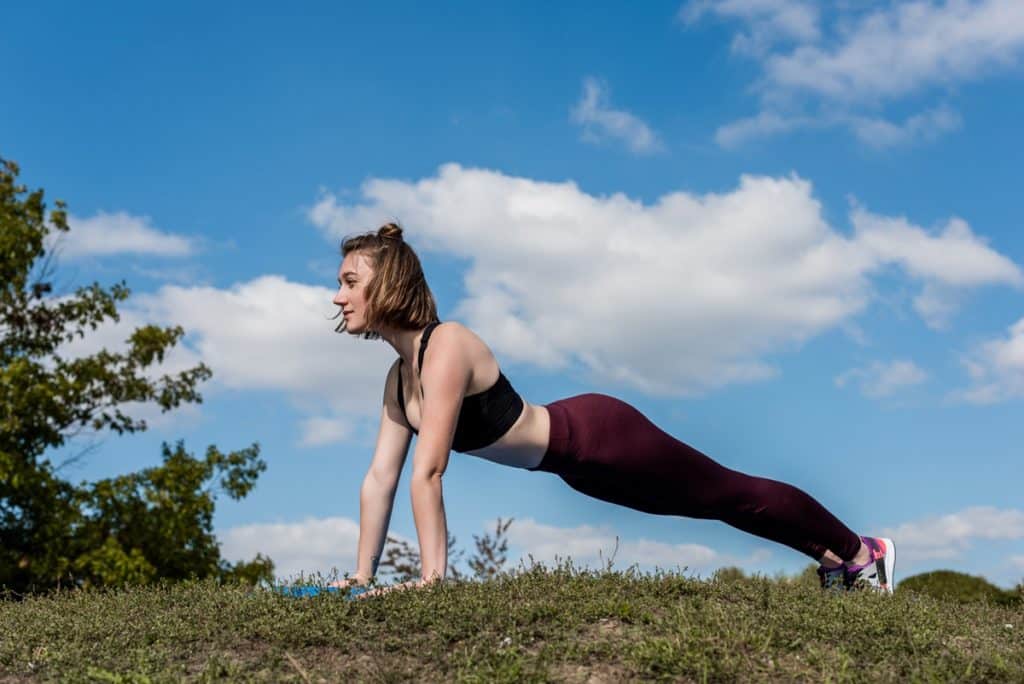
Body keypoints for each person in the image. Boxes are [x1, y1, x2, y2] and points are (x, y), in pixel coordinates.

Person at [328, 223, 895, 599]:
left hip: (600, 435)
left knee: (726, 490)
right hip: (578, 472)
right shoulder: (398, 381)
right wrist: (360, 578)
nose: (338, 296)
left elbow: (428, 472)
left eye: (351, 282)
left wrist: (431, 581)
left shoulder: (445, 345)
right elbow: (381, 478)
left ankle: (860, 551)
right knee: (711, 507)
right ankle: (836, 565)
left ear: (392, 283)